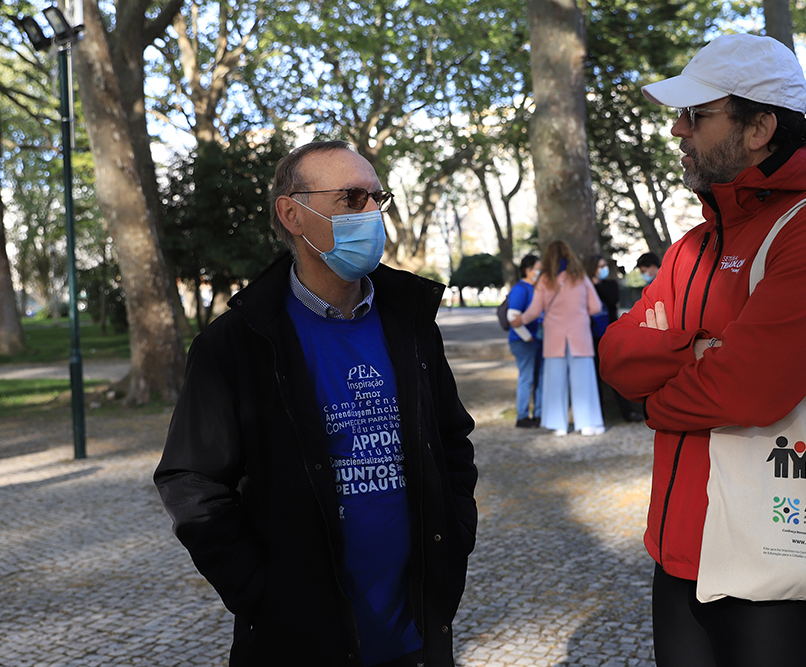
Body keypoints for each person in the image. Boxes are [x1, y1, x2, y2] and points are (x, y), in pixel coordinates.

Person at [598, 33, 806, 667]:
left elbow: (748, 389)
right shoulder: (694, 242)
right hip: (677, 547)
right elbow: (615, 357)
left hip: (778, 546)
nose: (678, 131)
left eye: (697, 116)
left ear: (760, 127)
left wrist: (662, 396)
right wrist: (700, 352)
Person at [154, 140, 478, 667]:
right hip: (297, 642)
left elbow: (450, 441)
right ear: (293, 214)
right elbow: (191, 481)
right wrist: (262, 593)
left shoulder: (411, 322)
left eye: (377, 197)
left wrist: (454, 541)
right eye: (350, 198)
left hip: (415, 636)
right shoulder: (236, 342)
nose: (372, 212)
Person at [511, 240, 606, 436]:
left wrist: (520, 320)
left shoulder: (545, 280)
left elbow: (534, 311)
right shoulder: (580, 277)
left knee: (555, 382)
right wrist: (579, 313)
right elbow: (596, 307)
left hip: (554, 338)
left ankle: (559, 425)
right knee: (584, 381)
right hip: (580, 336)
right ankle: (587, 424)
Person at [585, 253, 643, 422]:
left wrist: (596, 286)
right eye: (599, 267)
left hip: (608, 335)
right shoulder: (584, 286)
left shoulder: (609, 285)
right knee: (594, 377)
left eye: (604, 266)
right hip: (591, 337)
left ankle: (628, 411)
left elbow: (612, 300)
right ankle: (599, 414)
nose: (603, 270)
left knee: (617, 374)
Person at [507, 253, 543, 427]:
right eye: (538, 269)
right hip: (524, 341)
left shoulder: (534, 288)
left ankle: (538, 414)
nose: (540, 272)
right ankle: (522, 416)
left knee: (537, 378)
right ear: (528, 270)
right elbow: (512, 316)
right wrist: (528, 338)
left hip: (534, 340)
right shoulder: (520, 289)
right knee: (527, 378)